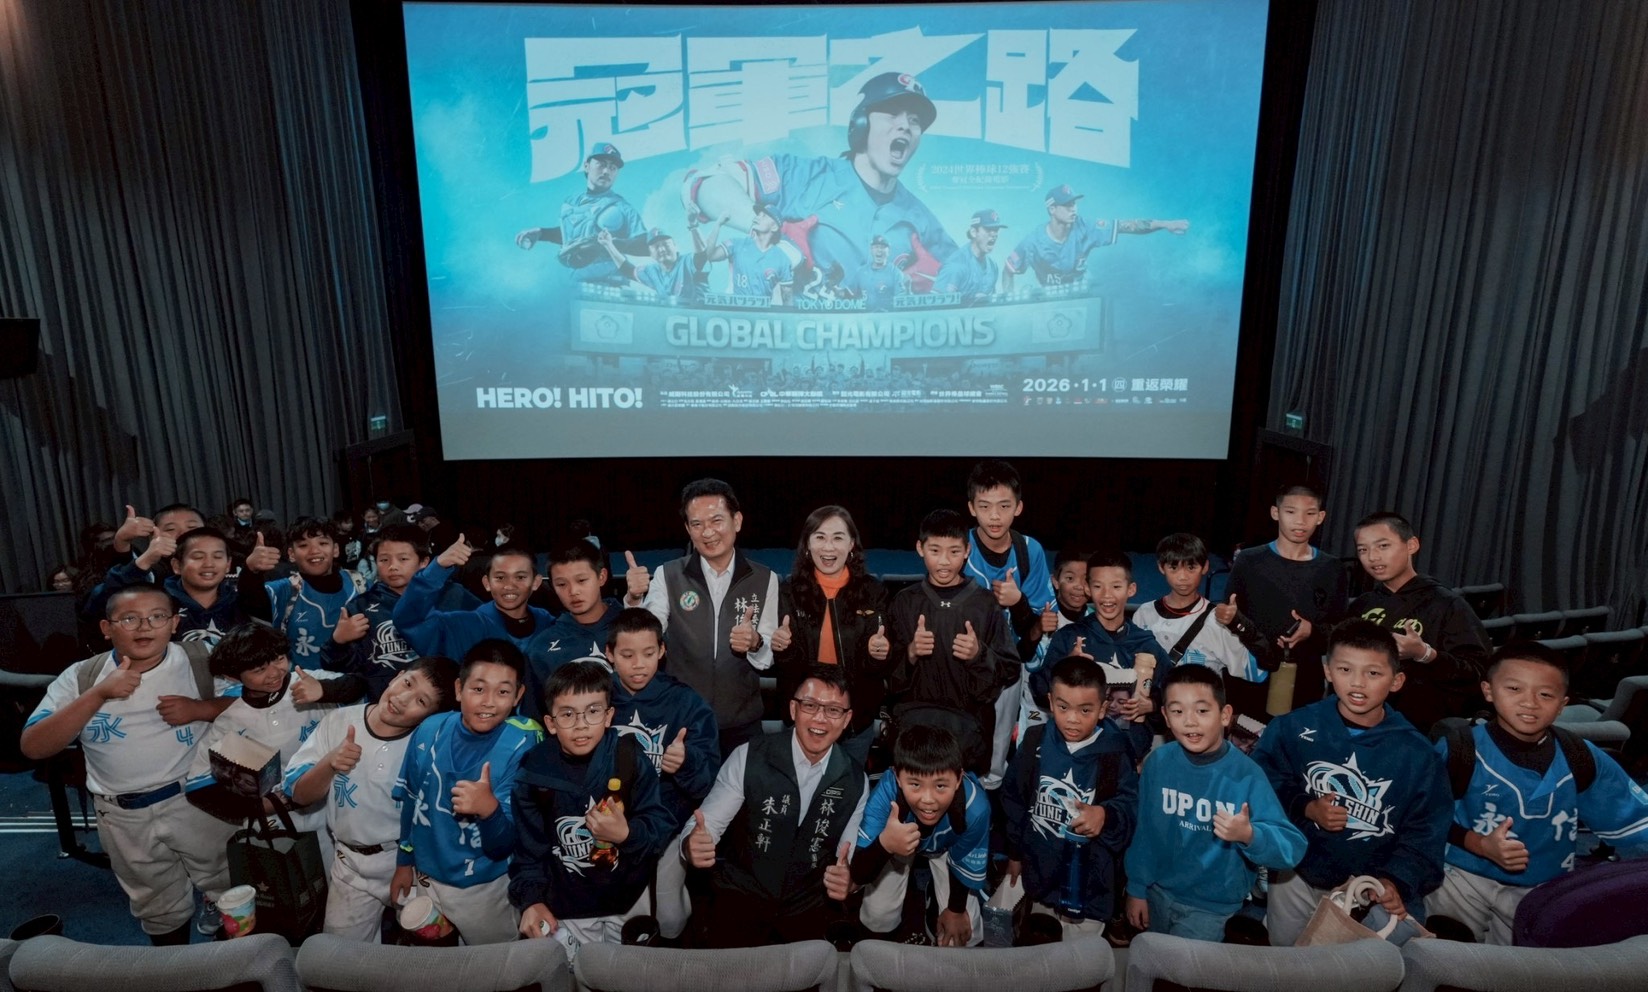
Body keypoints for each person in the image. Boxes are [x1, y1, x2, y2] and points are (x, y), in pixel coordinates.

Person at [21, 585, 237, 945]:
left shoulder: (200, 659)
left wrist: (201, 709)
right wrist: (99, 694)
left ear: (175, 623)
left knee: (228, 885)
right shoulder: (83, 676)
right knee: (157, 906)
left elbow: (259, 701)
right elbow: (34, 746)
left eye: (157, 616)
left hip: (196, 800)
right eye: (129, 619)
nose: (144, 626)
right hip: (122, 815)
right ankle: (174, 967)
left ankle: (237, 963)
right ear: (107, 628)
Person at [1426, 642, 1648, 944]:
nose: (1529, 702)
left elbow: (1633, 817)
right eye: (1514, 689)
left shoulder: (1579, 756)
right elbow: (1422, 818)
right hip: (1462, 877)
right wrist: (1478, 843)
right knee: (1447, 955)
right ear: (1488, 691)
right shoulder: (1459, 750)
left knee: (1519, 965)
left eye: (1545, 694)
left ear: (1562, 704)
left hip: (1542, 887)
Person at [1253, 619, 1452, 946]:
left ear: (1396, 680)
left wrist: (1396, 880)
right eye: (1345, 670)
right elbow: (1263, 784)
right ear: (1328, 671)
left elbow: (1426, 832)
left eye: (1373, 673)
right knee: (1287, 960)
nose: (1358, 683)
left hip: (1368, 891)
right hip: (1296, 874)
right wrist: (1306, 807)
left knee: (1355, 968)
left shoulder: (1418, 755)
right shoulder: (1292, 727)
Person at [684, 72, 959, 294]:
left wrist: (939, 286)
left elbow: (968, 282)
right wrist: (773, 233)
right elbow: (703, 184)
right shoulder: (803, 176)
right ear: (861, 124)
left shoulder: (922, 220)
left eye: (914, 120)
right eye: (892, 113)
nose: (905, 126)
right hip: (786, 334)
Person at [678, 665, 868, 947]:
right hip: (741, 896)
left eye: (833, 710)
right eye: (810, 705)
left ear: (846, 719)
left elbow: (848, 855)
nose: (820, 718)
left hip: (807, 907)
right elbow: (706, 825)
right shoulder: (749, 756)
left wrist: (849, 879)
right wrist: (691, 845)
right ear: (793, 709)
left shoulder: (855, 779)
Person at [1124, 664, 1305, 941]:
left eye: (1202, 710)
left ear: (1225, 715)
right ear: (1165, 717)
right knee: (1151, 960)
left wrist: (1249, 835)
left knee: (1184, 969)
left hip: (1211, 909)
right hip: (1157, 893)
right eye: (1177, 711)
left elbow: (1291, 848)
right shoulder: (1158, 762)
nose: (1190, 721)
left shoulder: (1247, 775)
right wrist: (1137, 887)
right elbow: (1145, 831)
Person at [285, 656, 460, 942]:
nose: (402, 699)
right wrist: (330, 763)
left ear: (430, 716)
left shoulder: (429, 746)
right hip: (350, 864)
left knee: (431, 946)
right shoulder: (340, 721)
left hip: (410, 863)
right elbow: (299, 795)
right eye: (407, 683)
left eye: (421, 701)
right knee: (339, 957)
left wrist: (410, 863)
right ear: (397, 675)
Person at [510, 660, 675, 956]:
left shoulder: (629, 759)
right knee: (578, 973)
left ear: (609, 716)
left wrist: (626, 834)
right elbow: (528, 851)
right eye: (567, 714)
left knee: (628, 971)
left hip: (629, 898)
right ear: (550, 723)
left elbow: (659, 827)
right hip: (567, 905)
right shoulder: (535, 770)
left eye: (593, 711)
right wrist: (531, 899)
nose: (581, 724)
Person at [392, 640, 544, 945]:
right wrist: (403, 861)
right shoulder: (429, 729)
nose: (488, 702)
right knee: (436, 963)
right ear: (459, 689)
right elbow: (411, 799)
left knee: (496, 966)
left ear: (518, 696)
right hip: (425, 879)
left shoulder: (522, 743)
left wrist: (489, 810)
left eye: (503, 692)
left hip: (484, 887)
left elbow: (504, 844)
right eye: (478, 689)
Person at [635, 478, 779, 758]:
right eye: (697, 524)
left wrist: (755, 642)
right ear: (688, 529)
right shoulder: (668, 574)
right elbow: (647, 632)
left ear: (737, 521)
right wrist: (633, 600)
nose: (708, 532)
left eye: (716, 520)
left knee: (744, 787)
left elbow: (767, 656)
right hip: (682, 719)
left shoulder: (765, 579)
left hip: (742, 722)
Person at [1003, 656, 1139, 938]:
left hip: (1090, 890)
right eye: (1063, 707)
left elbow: (1132, 808)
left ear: (1102, 709)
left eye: (1085, 710)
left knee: (1081, 961)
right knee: (1040, 954)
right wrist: (1015, 854)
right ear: (1051, 703)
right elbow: (1014, 800)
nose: (1073, 719)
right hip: (1040, 879)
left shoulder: (1115, 753)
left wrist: (1105, 815)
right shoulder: (1035, 741)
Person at [884, 509, 1018, 776]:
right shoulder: (904, 601)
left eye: (954, 552)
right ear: (920, 548)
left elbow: (1010, 669)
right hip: (913, 733)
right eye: (935, 550)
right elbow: (886, 677)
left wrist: (979, 655)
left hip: (967, 735)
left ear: (967, 551)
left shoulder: (985, 603)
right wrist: (910, 652)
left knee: (964, 799)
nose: (944, 561)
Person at [1348, 511, 1491, 735]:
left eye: (1383, 546)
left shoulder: (1446, 604)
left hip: (1421, 729)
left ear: (1411, 545)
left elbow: (1477, 674)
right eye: (1363, 550)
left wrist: (1425, 654)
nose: (1372, 557)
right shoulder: (1361, 605)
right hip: (1363, 725)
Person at [773, 505, 892, 768]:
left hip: (854, 720)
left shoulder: (873, 592)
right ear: (807, 545)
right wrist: (783, 648)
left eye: (838, 538)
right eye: (820, 537)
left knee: (846, 787)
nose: (828, 547)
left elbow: (877, 668)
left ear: (851, 544)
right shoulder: (789, 592)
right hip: (803, 717)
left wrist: (878, 654)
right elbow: (787, 668)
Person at [853, 725, 991, 946]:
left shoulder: (975, 807)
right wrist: (885, 845)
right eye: (915, 784)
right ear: (897, 778)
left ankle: (933, 899)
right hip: (896, 842)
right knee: (878, 915)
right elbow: (859, 873)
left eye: (940, 785)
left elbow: (964, 862)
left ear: (958, 779)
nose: (928, 799)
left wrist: (955, 910)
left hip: (947, 848)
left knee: (965, 935)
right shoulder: (887, 793)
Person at [962, 459, 1055, 784]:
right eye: (985, 506)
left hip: (1007, 663)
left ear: (1018, 507)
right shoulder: (959, 548)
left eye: (1004, 506)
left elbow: (1037, 624)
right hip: (961, 661)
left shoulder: (1029, 551)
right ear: (971, 508)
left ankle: (989, 793)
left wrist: (1017, 603)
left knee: (997, 747)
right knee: (956, 736)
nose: (995, 516)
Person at [1217, 484, 1348, 711]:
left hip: (1305, 680)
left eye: (1309, 513)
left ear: (1320, 517)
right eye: (1291, 512)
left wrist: (1312, 631)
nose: (1300, 521)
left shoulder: (1332, 568)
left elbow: (1341, 631)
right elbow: (1231, 615)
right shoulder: (1249, 561)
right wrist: (1229, 617)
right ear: (1275, 513)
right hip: (1250, 675)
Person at [1037, 551, 1172, 754]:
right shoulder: (1069, 637)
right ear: (1087, 588)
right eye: (1098, 586)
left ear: (1131, 589)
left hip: (1127, 755)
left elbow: (1173, 693)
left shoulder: (1145, 644)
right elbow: (1039, 690)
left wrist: (1151, 704)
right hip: (1076, 752)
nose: (1107, 595)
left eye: (1116, 587)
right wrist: (1066, 667)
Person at [1131, 533, 1268, 708]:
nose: (1183, 577)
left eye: (1191, 567)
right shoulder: (1144, 614)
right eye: (1174, 567)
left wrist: (1242, 624)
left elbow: (1257, 671)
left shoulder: (1218, 621)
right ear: (1161, 567)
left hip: (1202, 716)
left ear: (1205, 567)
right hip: (1154, 717)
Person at [1002, 183, 1189, 290]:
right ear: (1052, 209)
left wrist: (1164, 224)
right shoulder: (1033, 241)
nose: (1073, 209)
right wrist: (1008, 305)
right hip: (1050, 299)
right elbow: (1008, 270)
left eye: (1074, 204)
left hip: (1084, 294)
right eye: (1067, 205)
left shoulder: (1085, 227)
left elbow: (1126, 225)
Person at [394, 538, 554, 661]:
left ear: (536, 582)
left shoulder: (550, 627)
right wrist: (437, 568)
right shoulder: (460, 626)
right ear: (487, 583)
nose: (509, 585)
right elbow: (409, 619)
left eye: (520, 577)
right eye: (500, 577)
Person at [94, 526, 247, 652]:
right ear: (176, 565)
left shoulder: (243, 601)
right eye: (198, 557)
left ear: (228, 564)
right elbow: (103, 603)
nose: (209, 564)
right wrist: (145, 560)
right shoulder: (157, 600)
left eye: (218, 557)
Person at [238, 517, 365, 667]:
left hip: (357, 678)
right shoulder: (287, 590)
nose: (314, 551)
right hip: (301, 679)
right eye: (303, 545)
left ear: (335, 549)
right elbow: (250, 599)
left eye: (323, 543)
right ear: (291, 554)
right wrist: (251, 569)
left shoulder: (360, 584)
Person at [321, 524, 428, 702]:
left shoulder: (446, 599)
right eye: (384, 560)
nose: (392, 566)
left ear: (423, 562)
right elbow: (339, 667)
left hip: (440, 708)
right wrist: (338, 641)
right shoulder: (360, 607)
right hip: (383, 705)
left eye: (403, 559)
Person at [515, 141, 646, 286]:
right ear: (586, 166)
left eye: (612, 168)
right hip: (575, 284)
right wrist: (541, 233)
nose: (606, 171)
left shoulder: (622, 208)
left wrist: (608, 244)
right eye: (601, 164)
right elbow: (574, 238)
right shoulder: (572, 203)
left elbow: (645, 245)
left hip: (611, 284)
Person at [521, 540, 622, 724]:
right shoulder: (541, 648)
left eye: (581, 580)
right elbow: (535, 718)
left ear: (601, 577)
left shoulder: (635, 629)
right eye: (561, 584)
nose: (573, 591)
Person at [702, 204, 795, 304]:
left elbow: (787, 298)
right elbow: (709, 255)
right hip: (737, 310)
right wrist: (718, 224)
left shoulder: (782, 259)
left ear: (774, 227)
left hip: (762, 312)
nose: (758, 217)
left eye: (764, 216)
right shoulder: (736, 244)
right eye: (758, 215)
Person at [597, 226, 710, 303]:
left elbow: (701, 256)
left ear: (675, 246)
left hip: (701, 316)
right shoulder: (652, 271)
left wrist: (693, 225)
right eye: (656, 247)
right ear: (650, 253)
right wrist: (608, 245)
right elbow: (628, 271)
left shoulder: (687, 261)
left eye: (666, 244)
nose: (661, 249)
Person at [933, 209, 1006, 305]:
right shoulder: (956, 266)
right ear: (973, 232)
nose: (994, 234)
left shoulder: (993, 266)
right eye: (988, 229)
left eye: (996, 230)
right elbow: (937, 307)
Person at [839, 234, 908, 311]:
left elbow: (901, 301)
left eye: (882, 247)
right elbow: (849, 296)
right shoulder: (861, 272)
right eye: (876, 247)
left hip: (888, 316)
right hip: (864, 316)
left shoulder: (896, 273)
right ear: (871, 250)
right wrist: (835, 287)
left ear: (889, 251)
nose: (879, 250)